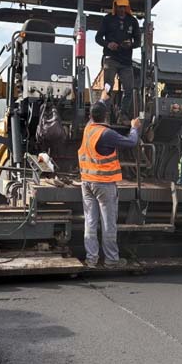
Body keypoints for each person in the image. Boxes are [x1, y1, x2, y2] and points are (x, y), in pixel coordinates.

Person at [78, 91, 142, 268]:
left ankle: (91, 259)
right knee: (108, 223)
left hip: (87, 183)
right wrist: (134, 127)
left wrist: (102, 100)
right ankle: (112, 260)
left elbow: (95, 113)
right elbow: (131, 142)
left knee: (90, 222)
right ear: (106, 116)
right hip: (104, 184)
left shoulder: (88, 128)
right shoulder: (107, 134)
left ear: (91, 116)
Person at [95, 0, 142, 123]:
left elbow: (138, 42)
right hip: (111, 58)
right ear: (115, 5)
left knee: (129, 89)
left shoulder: (132, 21)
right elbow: (98, 37)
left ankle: (123, 115)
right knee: (108, 87)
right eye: (120, 6)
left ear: (127, 6)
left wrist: (130, 44)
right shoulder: (108, 19)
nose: (122, 9)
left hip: (126, 61)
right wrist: (108, 44)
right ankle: (106, 115)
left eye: (124, 6)